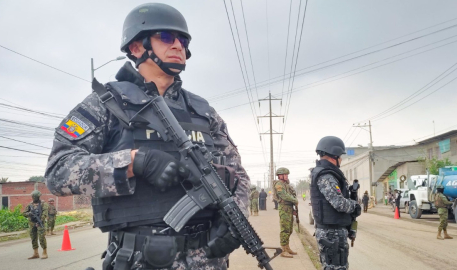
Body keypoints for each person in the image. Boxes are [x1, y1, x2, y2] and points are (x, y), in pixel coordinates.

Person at [44, 3, 250, 269]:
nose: (178, 46)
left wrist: (236, 220)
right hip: (144, 259)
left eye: (183, 39)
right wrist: (134, 162)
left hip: (209, 259)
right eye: (166, 37)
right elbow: (58, 172)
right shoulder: (106, 103)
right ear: (136, 47)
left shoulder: (203, 111)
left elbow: (239, 174)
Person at [310, 136, 361, 270]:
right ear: (334, 155)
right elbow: (338, 203)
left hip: (332, 232)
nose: (341, 159)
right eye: (340, 156)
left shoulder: (326, 173)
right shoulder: (326, 175)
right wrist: (354, 206)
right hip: (331, 233)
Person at [273, 167, 297, 258]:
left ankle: (287, 247)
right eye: (285, 174)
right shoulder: (279, 184)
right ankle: (283, 250)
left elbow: (289, 195)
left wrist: (293, 209)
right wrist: (294, 200)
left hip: (289, 208)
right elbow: (283, 195)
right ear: (280, 176)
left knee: (289, 229)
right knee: (285, 229)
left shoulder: (285, 184)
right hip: (284, 209)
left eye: (287, 175)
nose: (287, 176)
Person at [22, 190, 48, 259]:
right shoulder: (30, 205)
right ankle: (35, 253)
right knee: (33, 238)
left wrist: (40, 220)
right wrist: (29, 214)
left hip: (40, 223)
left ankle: (44, 252)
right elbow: (24, 213)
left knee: (41, 237)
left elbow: (45, 213)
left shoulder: (43, 204)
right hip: (32, 223)